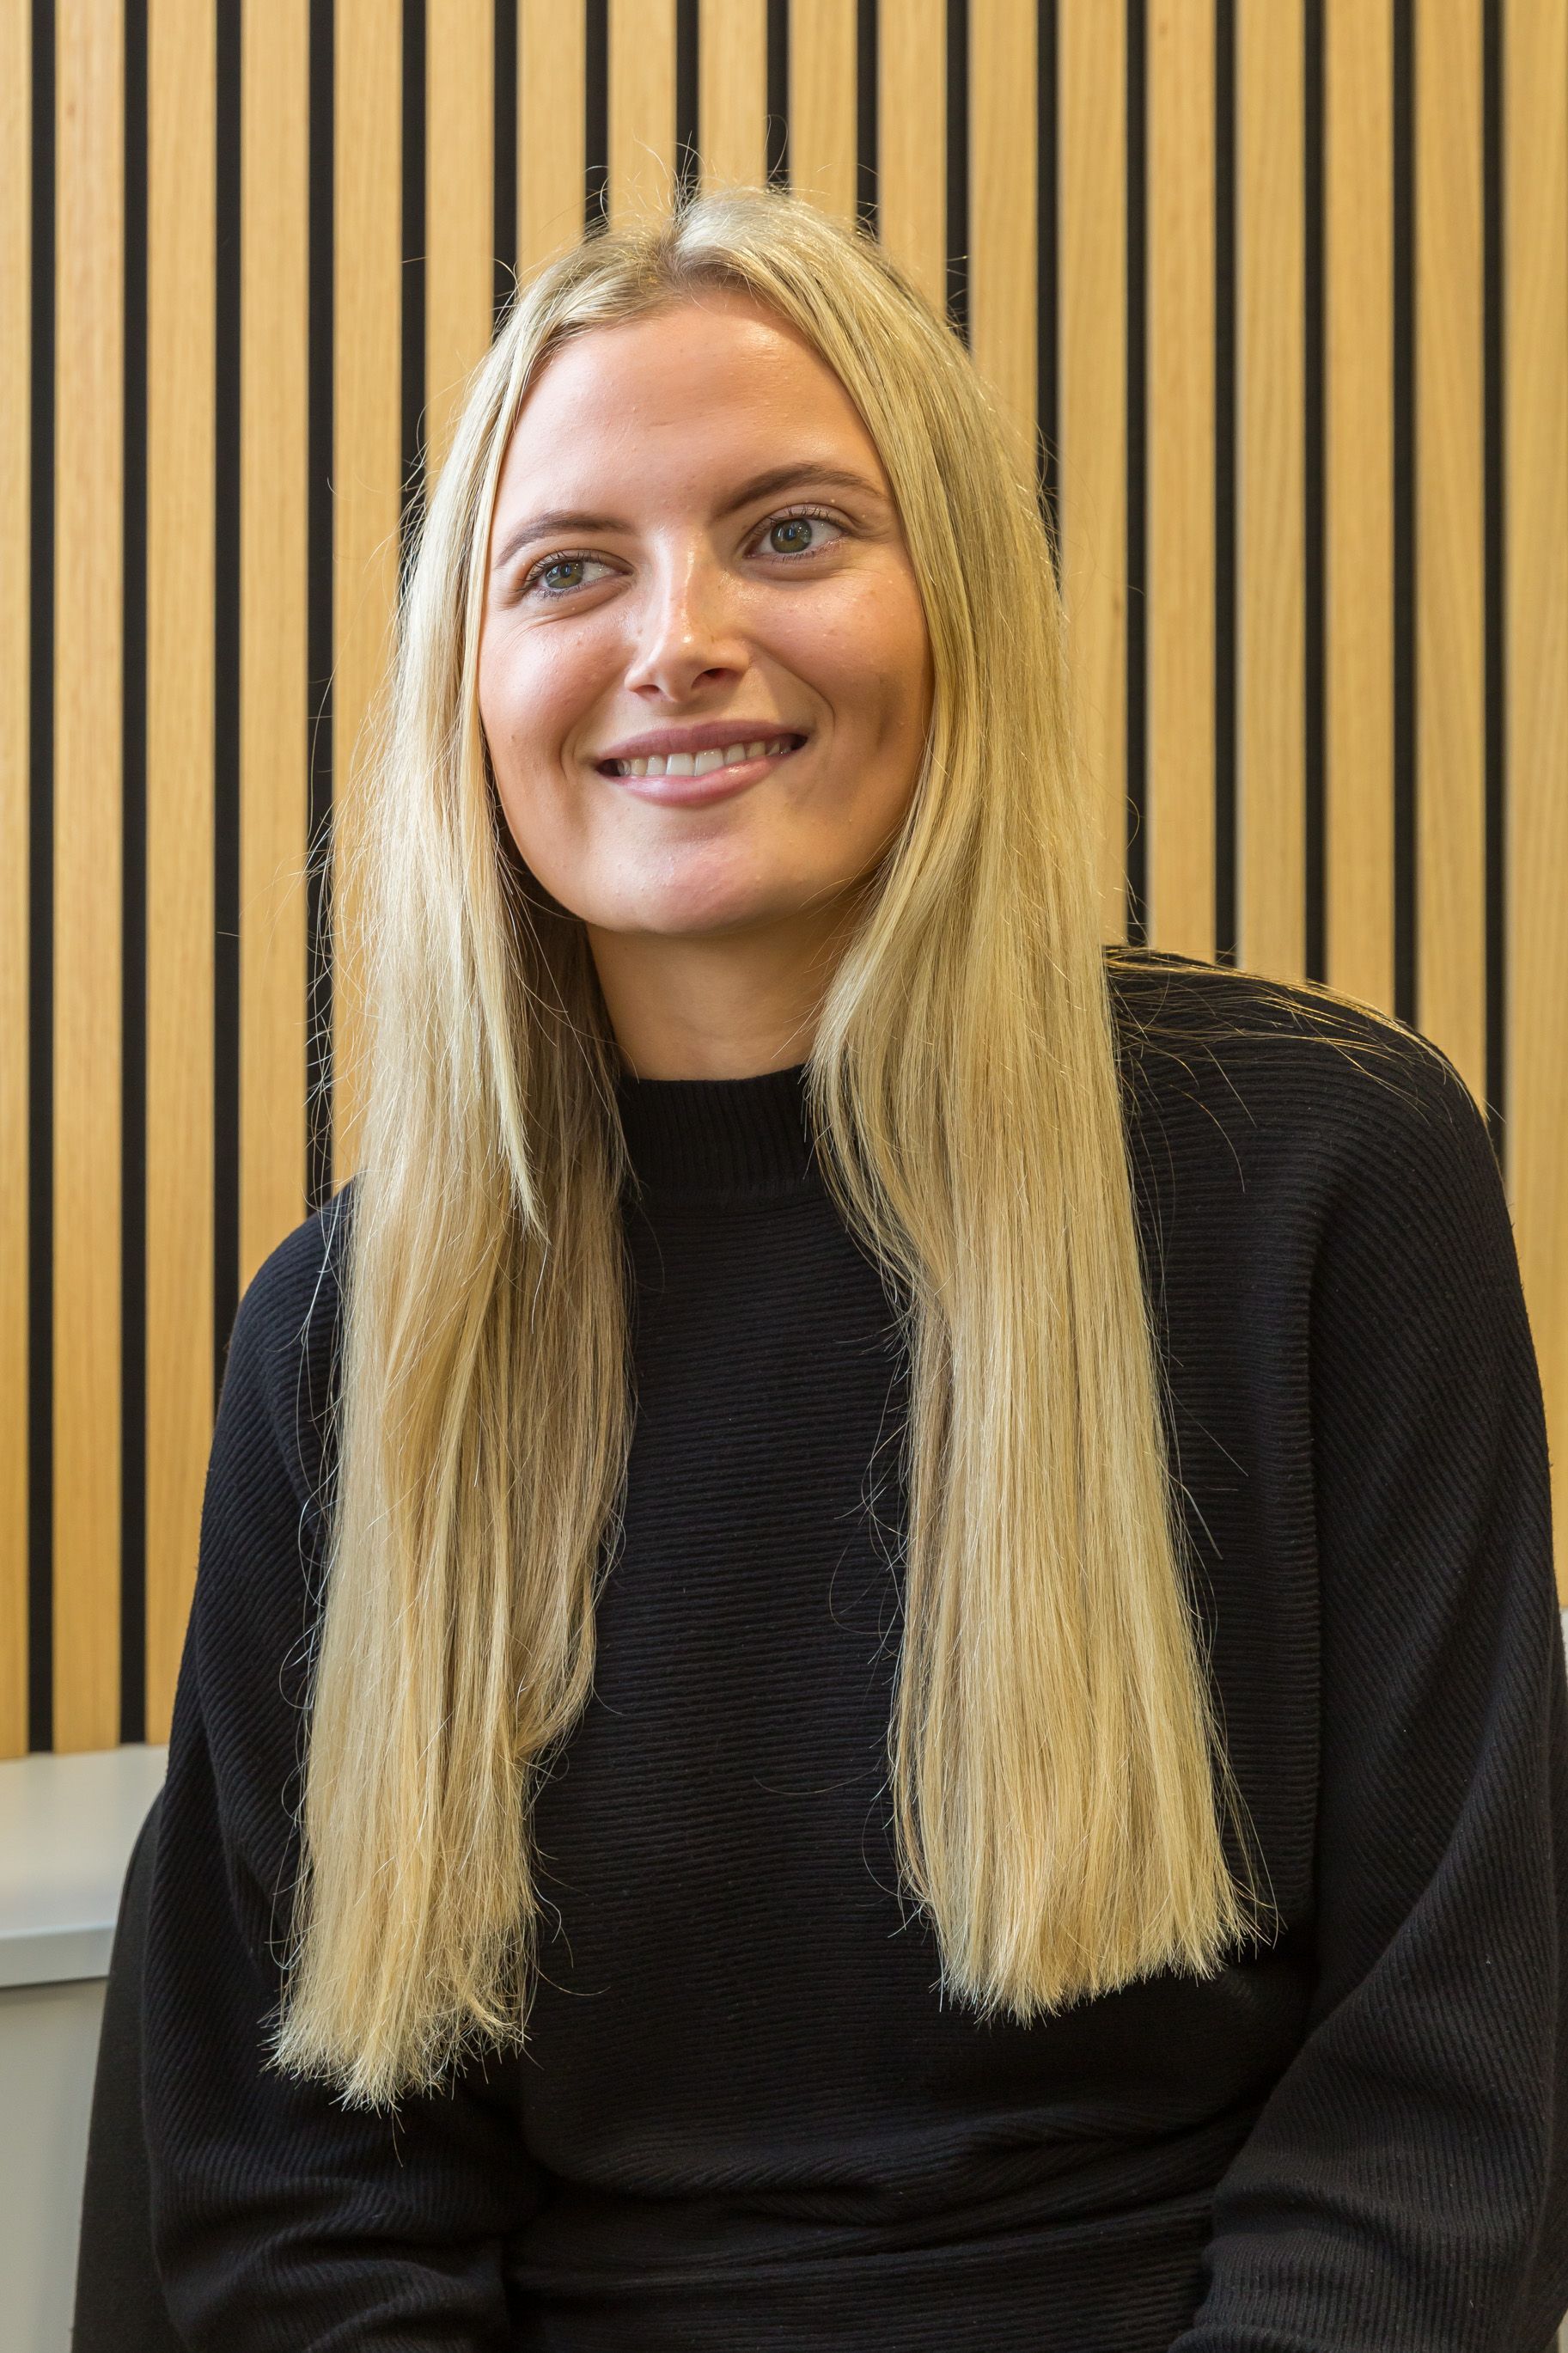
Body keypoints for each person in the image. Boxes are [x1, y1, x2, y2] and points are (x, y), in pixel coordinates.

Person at [141, 184, 1568, 2351]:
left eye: (790, 531)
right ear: (472, 689)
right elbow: (296, 2200)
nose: (678, 639)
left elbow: (1444, 2093)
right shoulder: (343, 1333)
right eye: (570, 568)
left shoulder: (1329, 1178)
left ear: (955, 608)